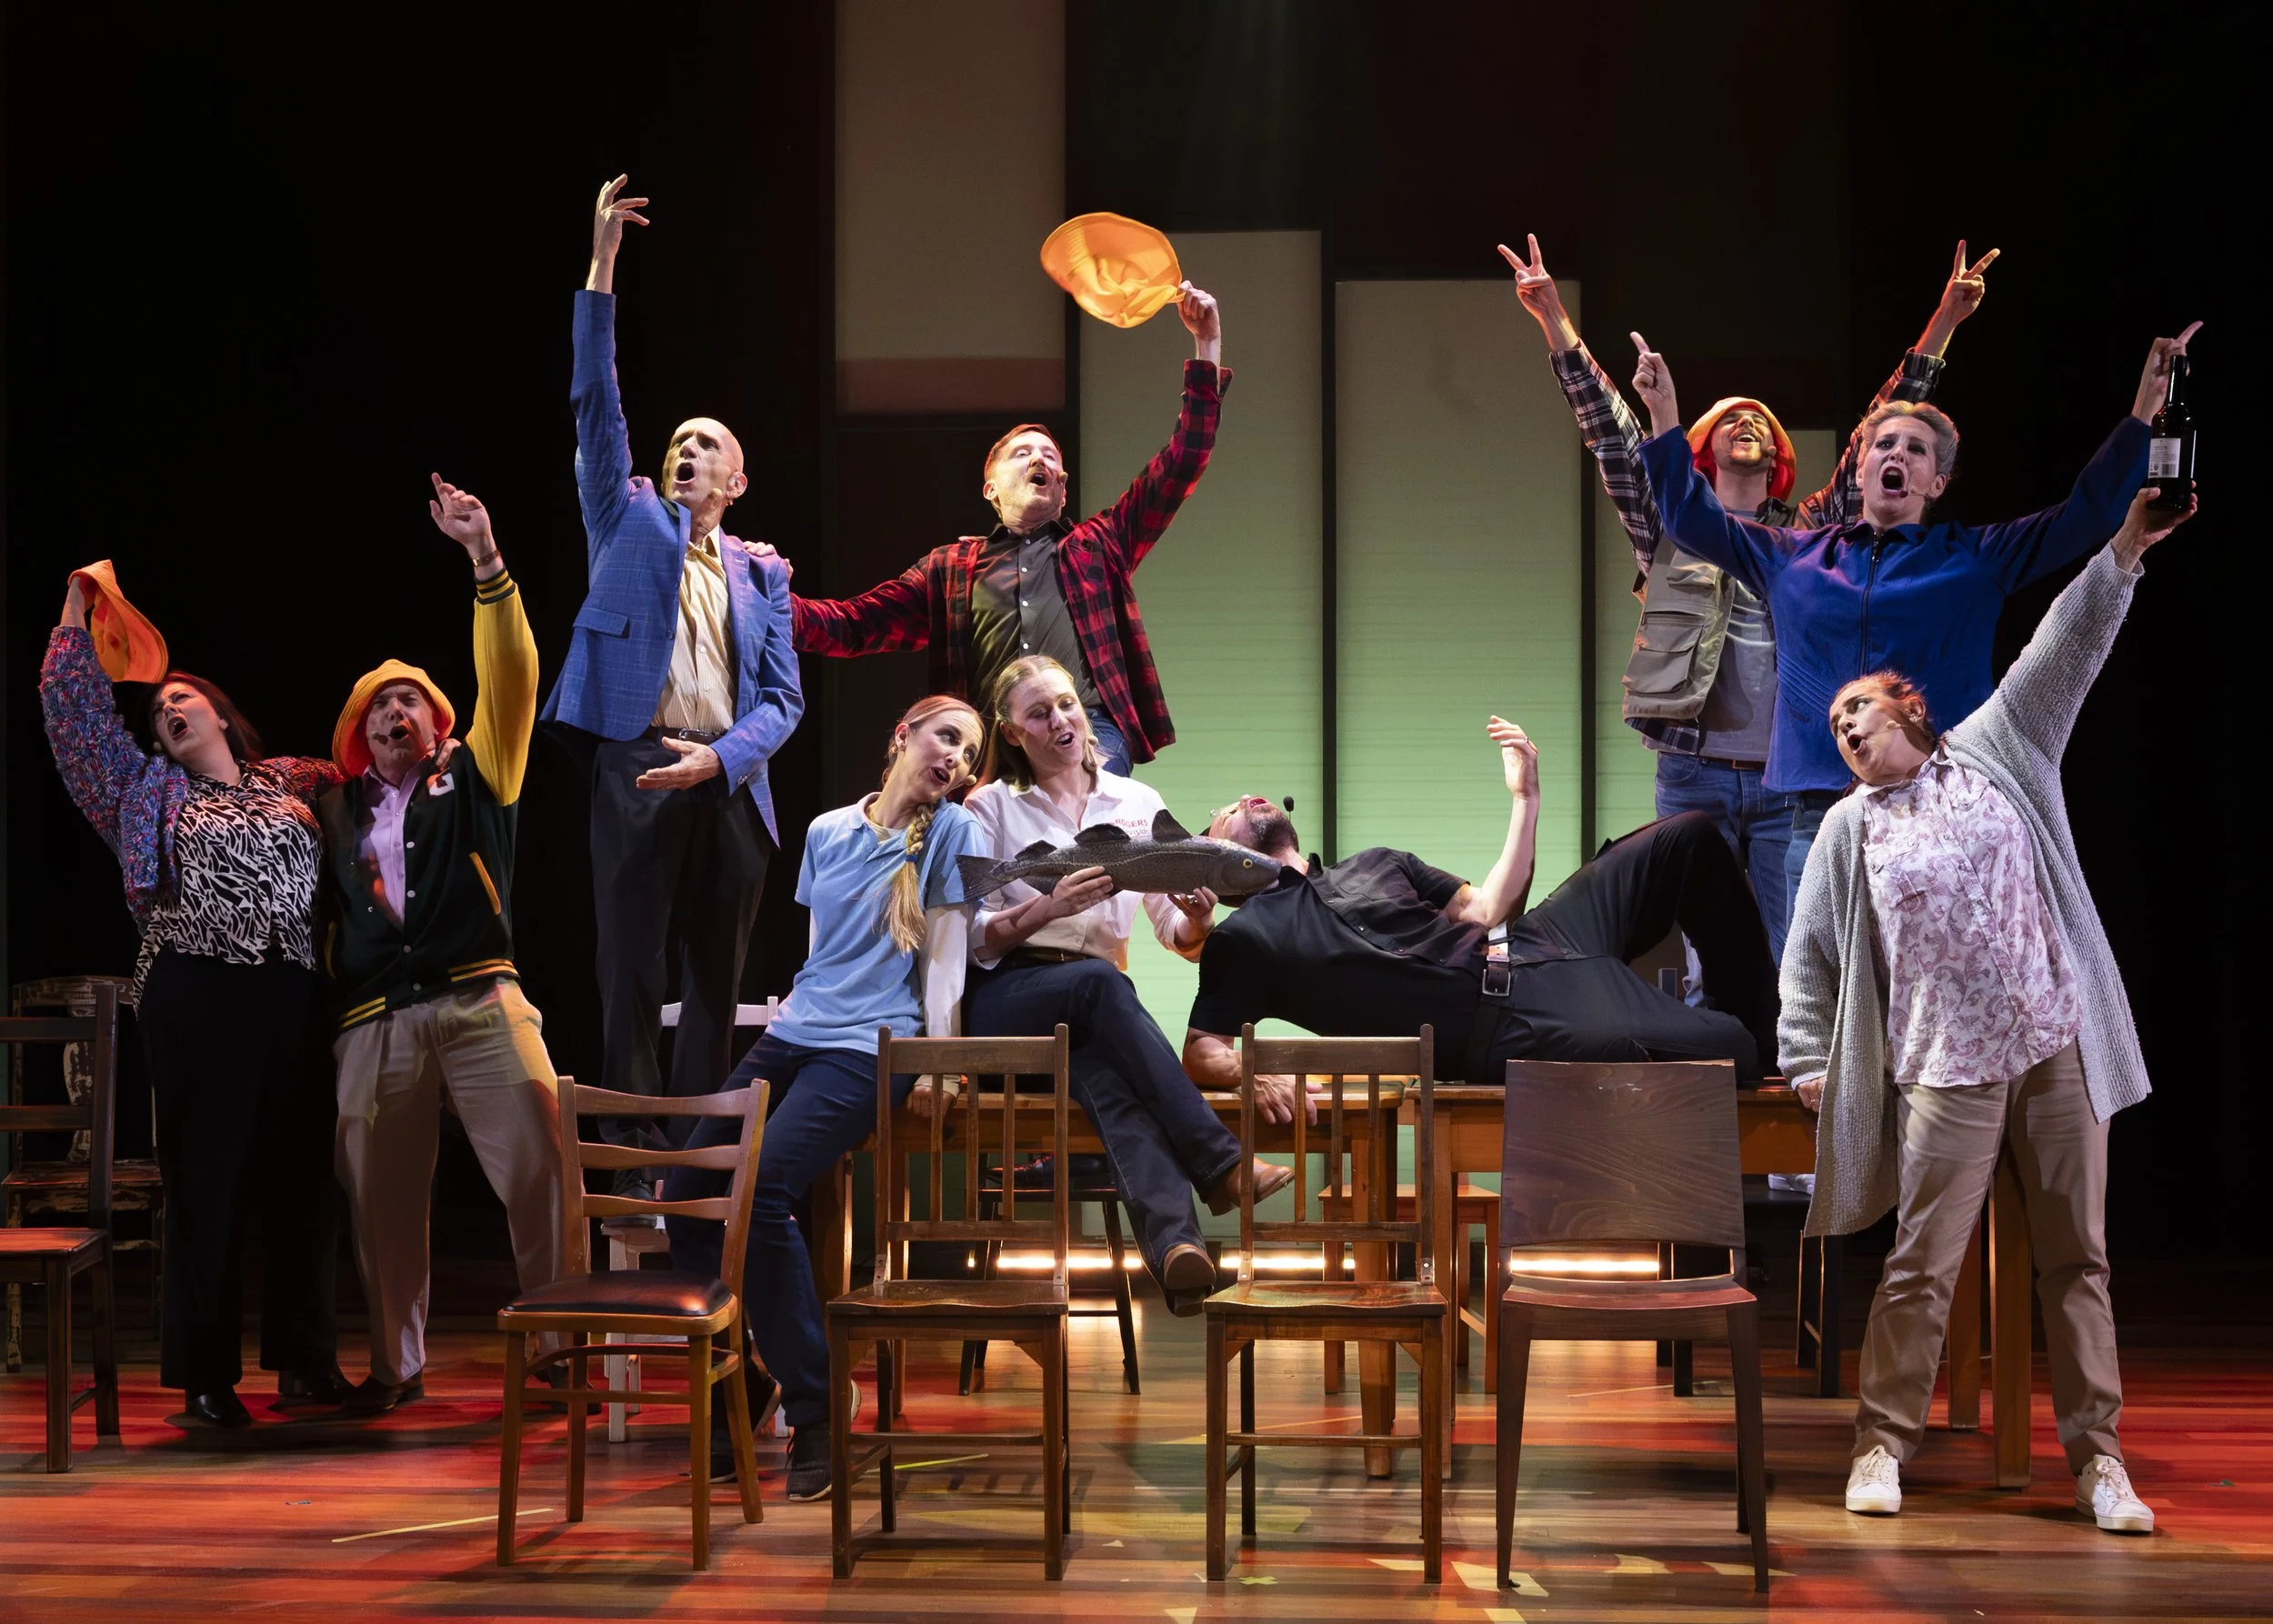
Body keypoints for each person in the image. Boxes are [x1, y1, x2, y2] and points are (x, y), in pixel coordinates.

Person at [1782, 489, 2193, 1533]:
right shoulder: (1848, 829)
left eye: (1858, 708)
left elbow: (2063, 649)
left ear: (1907, 708)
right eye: (1833, 724)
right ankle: (1881, 1445)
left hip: (2055, 1040)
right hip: (1942, 1062)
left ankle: (2100, 1464)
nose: (1844, 726)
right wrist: (1806, 1059)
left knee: (2077, 1259)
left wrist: (2125, 549)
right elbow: (1810, 957)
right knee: (1920, 1263)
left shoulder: (2000, 749)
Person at [1501, 235, 1998, 963]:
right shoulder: (1670, 524)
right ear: (1700, 447)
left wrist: (1945, 320)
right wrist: (1553, 317)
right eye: (1731, 417)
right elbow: (1610, 432)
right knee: (1704, 966)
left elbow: (1886, 423)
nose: (1749, 422)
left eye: (1762, 420)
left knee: (1792, 957)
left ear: (1780, 457)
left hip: (1785, 780)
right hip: (1692, 772)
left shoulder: (1809, 539)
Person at [1635, 322, 2198, 892]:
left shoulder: (1974, 558)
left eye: (1916, 449)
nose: (1897, 453)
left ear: (1937, 482)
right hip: (1815, 816)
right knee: (1807, 956)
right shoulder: (1792, 556)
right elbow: (1690, 520)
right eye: (1884, 445)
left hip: (1936, 810)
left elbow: (2084, 515)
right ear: (1861, 471)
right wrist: (1663, 417)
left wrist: (2144, 411)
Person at [541, 175, 805, 1199]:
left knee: (714, 978)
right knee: (631, 965)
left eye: (709, 446)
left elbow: (782, 701)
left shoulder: (762, 573)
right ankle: (634, 1147)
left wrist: (722, 760)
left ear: (736, 482)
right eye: (678, 444)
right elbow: (593, 402)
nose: (688, 452)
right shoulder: (628, 517)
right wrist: (603, 263)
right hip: (639, 759)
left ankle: (696, 1157)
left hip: (726, 777)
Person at [666, 696, 989, 1501]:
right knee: (686, 1194)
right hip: (797, 1032)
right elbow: (821, 953)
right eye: (947, 737)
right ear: (902, 735)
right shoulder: (826, 831)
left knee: (764, 1188)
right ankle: (744, 1383)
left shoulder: (955, 832)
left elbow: (944, 961)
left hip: (872, 1045)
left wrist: (941, 1066)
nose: (956, 757)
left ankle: (815, 1406)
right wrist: (793, 1018)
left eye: (969, 752)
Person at [42, 586, 348, 1427]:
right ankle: (206, 1375)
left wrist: (436, 749)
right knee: (205, 1183)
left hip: (293, 988)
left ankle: (307, 1359)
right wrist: (74, 612)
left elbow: (375, 774)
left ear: (219, 713)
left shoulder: (294, 778)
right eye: (157, 713)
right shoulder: (143, 788)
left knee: (305, 1179)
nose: (168, 712)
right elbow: (74, 722)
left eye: (181, 699)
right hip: (196, 988)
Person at [314, 476, 565, 1413]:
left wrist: (485, 560)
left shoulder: (478, 772)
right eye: (381, 705)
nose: (397, 713)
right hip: (376, 1018)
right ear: (357, 732)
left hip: (480, 997)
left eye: (413, 701)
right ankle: (396, 1366)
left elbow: (512, 679)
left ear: (438, 722)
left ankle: (558, 1347)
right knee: (377, 1198)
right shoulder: (329, 809)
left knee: (542, 1166)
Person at [1183, 719, 1777, 1107]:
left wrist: (1526, 798)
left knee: (1688, 837)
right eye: (1223, 816)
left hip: (1540, 937)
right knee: (1735, 1048)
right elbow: (1201, 1050)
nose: (1240, 801)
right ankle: (1745, 1041)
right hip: (1514, 1023)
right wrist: (1251, 1074)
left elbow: (1491, 907)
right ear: (1217, 870)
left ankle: (1762, 1027)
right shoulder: (1245, 939)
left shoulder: (1374, 862)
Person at [959, 655, 1289, 1313]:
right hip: (1008, 1000)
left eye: (1066, 704)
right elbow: (970, 938)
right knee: (1100, 985)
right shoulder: (989, 807)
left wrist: (1198, 918)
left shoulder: (1138, 804)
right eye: (1038, 714)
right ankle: (1222, 1163)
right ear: (1013, 732)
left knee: (1117, 1090)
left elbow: (1175, 931)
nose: (1060, 720)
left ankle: (1177, 1252)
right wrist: (1045, 910)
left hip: (1093, 1016)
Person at [786, 286, 1227, 773]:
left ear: (1062, 490)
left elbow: (1183, 461)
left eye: (1051, 457)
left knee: (1081, 807)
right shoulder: (949, 569)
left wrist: (1206, 346)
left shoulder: (1099, 545)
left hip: (1089, 731)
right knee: (979, 820)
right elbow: (854, 625)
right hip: (992, 745)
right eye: (1023, 453)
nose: (1040, 459)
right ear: (990, 488)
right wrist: (764, 598)